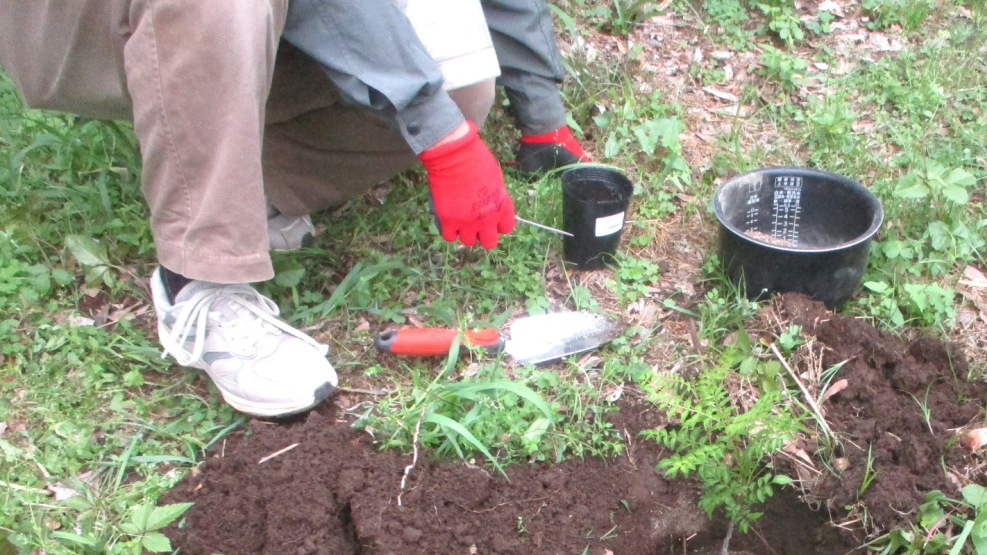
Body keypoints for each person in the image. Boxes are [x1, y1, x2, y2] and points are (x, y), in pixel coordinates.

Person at [0, 0, 587, 418]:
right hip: (79, 26)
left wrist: (541, 117)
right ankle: (197, 279)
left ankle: (241, 188)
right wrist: (442, 137)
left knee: (461, 88)